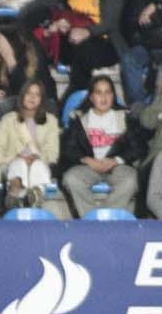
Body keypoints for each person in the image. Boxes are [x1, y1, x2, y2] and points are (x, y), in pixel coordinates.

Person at [60, 74, 145, 215]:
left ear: (114, 96)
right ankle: (91, 219)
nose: (103, 97)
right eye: (98, 93)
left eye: (108, 92)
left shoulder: (124, 117)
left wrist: (116, 160)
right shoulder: (80, 118)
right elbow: (68, 148)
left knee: (132, 180)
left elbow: (139, 147)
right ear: (91, 97)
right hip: (90, 167)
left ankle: (108, 218)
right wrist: (87, 160)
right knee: (70, 179)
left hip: (117, 167)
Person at [0, 80, 59, 210]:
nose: (32, 97)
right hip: (9, 166)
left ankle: (34, 195)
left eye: (37, 94)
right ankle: (15, 195)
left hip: (39, 165)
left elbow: (52, 154)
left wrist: (36, 157)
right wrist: (16, 158)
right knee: (19, 164)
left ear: (42, 99)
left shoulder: (51, 121)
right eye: (28, 93)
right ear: (22, 96)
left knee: (37, 165)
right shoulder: (7, 120)